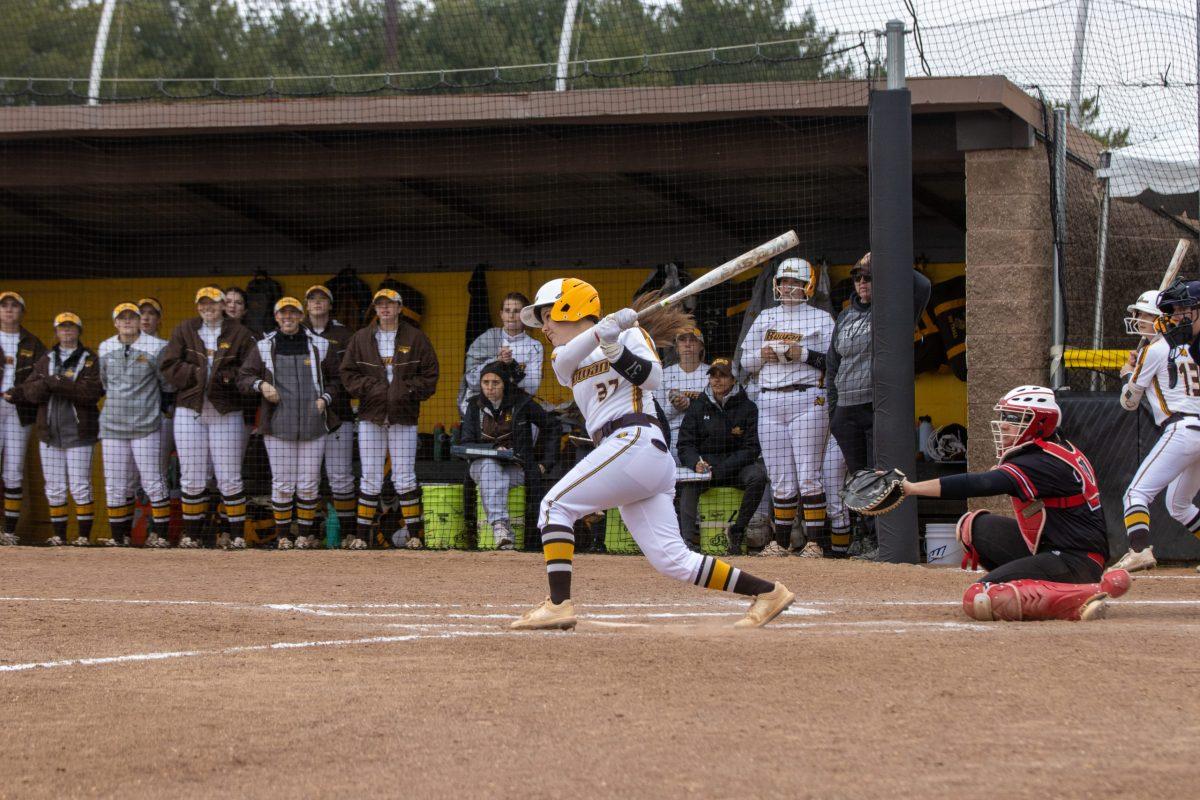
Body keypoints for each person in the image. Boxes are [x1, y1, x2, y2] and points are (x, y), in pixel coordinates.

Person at [508, 278, 794, 631]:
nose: (545, 326)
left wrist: (616, 348)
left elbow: (653, 379)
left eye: (549, 315)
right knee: (673, 560)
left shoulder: (629, 336)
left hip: (635, 441)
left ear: (572, 307)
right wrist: (603, 334)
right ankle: (769, 592)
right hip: (628, 457)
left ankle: (557, 604)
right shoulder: (564, 354)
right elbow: (567, 362)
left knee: (554, 506)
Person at [898, 385, 1131, 621]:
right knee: (972, 526)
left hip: (1075, 561)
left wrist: (911, 488)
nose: (1005, 424)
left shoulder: (1042, 461)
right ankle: (1044, 582)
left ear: (1041, 423)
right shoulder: (1051, 448)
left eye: (1015, 418)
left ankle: (1082, 596)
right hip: (1058, 548)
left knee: (980, 598)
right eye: (1005, 417)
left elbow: (981, 484)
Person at [738, 258, 834, 557]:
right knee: (780, 477)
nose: (788, 287)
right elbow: (745, 362)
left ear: (808, 286)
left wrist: (802, 353)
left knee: (809, 474)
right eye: (784, 282)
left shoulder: (822, 318)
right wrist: (763, 355)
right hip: (769, 399)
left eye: (795, 282)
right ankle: (780, 543)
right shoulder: (765, 316)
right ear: (776, 284)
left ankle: (815, 543)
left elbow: (833, 363)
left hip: (808, 398)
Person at [239, 297, 342, 550]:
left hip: (314, 425)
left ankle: (304, 536)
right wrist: (261, 385)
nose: (288, 318)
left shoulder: (320, 345)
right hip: (276, 426)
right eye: (283, 314)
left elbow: (337, 380)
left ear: (300, 316)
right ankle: (284, 536)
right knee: (283, 483)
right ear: (276, 317)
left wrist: (324, 399)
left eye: (293, 313)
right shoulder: (263, 347)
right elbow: (244, 377)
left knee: (308, 484)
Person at [340, 288, 439, 550]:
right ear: (375, 309)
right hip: (370, 416)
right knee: (370, 476)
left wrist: (405, 391)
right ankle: (361, 536)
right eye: (380, 305)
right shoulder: (361, 338)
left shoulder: (416, 338)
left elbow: (430, 376)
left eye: (390, 304)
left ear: (399, 308)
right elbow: (347, 374)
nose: (385, 309)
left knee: (405, 476)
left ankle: (415, 535)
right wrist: (372, 389)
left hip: (403, 417)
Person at [1112, 280, 1200, 572]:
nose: (1139, 321)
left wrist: (1127, 374)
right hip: (1195, 428)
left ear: (1160, 319)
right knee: (1179, 503)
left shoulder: (1157, 349)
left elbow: (1129, 402)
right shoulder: (1186, 347)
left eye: (1145, 316)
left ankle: (1138, 549)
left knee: (1135, 494)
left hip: (1181, 429)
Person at [160, 286, 257, 549]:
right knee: (192, 476)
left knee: (229, 476)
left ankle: (236, 535)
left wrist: (226, 377)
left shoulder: (240, 333)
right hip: (190, 409)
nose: (208, 308)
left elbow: (251, 369)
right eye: (203, 304)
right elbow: (169, 365)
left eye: (213, 304)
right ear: (197, 306)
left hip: (227, 411)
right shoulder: (185, 329)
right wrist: (200, 374)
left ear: (222, 305)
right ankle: (192, 535)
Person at [9, 313, 101, 546]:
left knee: (81, 486)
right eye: (62, 327)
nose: (67, 331)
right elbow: (30, 391)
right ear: (56, 331)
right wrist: (50, 383)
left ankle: (82, 537)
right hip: (48, 433)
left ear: (79, 331)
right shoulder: (46, 358)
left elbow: (90, 393)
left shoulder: (90, 359)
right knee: (54, 487)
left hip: (80, 433)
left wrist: (57, 383)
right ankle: (59, 535)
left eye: (71, 327)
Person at [460, 360, 560, 549]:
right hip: (480, 467)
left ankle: (505, 540)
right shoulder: (474, 405)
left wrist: (546, 463)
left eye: (496, 383)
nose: (490, 388)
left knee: (496, 480)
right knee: (490, 466)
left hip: (517, 468)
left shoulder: (522, 403)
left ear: (505, 383)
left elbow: (553, 426)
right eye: (485, 383)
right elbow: (465, 443)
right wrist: (493, 452)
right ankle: (500, 527)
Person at [676, 357, 768, 556]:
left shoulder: (748, 408)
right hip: (705, 469)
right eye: (713, 376)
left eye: (723, 376)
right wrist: (695, 463)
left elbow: (752, 448)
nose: (717, 381)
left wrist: (722, 468)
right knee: (688, 484)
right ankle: (687, 542)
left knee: (758, 476)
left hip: (735, 469)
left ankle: (737, 530)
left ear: (734, 380)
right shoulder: (697, 407)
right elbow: (685, 445)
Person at [97, 303, 171, 547]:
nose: (127, 321)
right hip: (112, 427)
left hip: (147, 425)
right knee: (116, 483)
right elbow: (104, 382)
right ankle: (120, 538)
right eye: (122, 318)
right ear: (115, 322)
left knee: (152, 480)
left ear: (141, 321)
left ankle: (160, 536)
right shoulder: (105, 346)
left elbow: (166, 385)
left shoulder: (157, 347)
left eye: (132, 317)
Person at [304, 284, 357, 540]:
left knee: (340, 476)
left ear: (330, 304)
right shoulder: (296, 331)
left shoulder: (345, 334)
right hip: (304, 418)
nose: (316, 303)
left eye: (322, 299)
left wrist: (330, 396)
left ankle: (348, 534)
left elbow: (349, 375)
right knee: (308, 476)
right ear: (306, 304)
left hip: (340, 415)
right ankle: (310, 533)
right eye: (312, 299)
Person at [0, 291, 46, 545]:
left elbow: (41, 381)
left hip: (19, 411)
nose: (8, 310)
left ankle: (9, 531)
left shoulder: (33, 343)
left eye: (14, 306)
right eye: (4, 306)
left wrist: (19, 393)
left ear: (22, 312)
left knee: (13, 471)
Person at [458, 292, 544, 414]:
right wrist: (496, 361)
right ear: (501, 314)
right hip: (482, 409)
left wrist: (511, 367)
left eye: (517, 311)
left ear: (525, 315)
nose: (511, 315)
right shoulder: (487, 338)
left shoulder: (535, 346)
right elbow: (471, 380)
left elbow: (532, 386)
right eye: (507, 310)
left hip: (516, 409)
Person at [660, 327, 709, 462]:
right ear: (676, 347)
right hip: (672, 435)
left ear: (701, 347)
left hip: (704, 436)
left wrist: (691, 405)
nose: (687, 344)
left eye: (693, 340)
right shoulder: (663, 375)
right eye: (682, 340)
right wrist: (675, 407)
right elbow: (657, 416)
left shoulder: (712, 373)